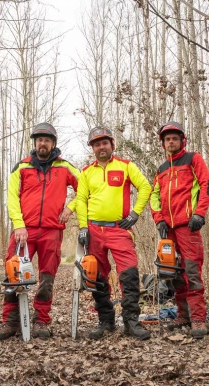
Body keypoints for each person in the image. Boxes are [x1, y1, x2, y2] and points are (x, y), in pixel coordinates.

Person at [0, 122, 80, 340]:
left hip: (52, 230)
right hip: (24, 230)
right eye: (39, 139)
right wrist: (18, 224)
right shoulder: (21, 167)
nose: (43, 143)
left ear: (53, 143)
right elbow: (12, 198)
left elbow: (85, 188)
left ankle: (41, 319)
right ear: (35, 142)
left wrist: (71, 207)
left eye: (47, 140)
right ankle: (10, 321)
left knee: (47, 276)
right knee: (13, 273)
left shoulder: (65, 167)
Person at [75, 126, 153, 340]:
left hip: (120, 229)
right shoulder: (86, 172)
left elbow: (145, 187)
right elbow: (80, 199)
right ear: (93, 148)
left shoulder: (126, 166)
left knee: (129, 275)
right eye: (97, 144)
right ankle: (106, 321)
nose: (101, 147)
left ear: (112, 144)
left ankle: (131, 322)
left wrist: (135, 214)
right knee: (97, 276)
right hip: (93, 230)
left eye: (105, 143)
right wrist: (83, 226)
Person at [149, 121, 209, 339]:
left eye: (174, 138)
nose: (171, 142)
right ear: (163, 143)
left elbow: (206, 185)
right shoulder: (161, 169)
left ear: (182, 140)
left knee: (192, 271)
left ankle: (198, 318)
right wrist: (159, 220)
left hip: (188, 225)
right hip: (168, 229)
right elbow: (154, 196)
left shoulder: (193, 159)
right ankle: (183, 315)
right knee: (173, 272)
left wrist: (199, 214)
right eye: (167, 139)